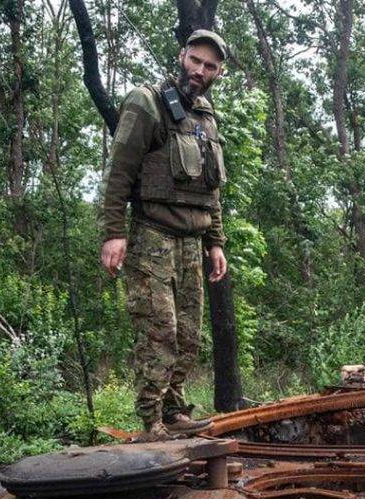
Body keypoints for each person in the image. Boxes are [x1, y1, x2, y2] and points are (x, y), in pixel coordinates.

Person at [99, 30, 230, 440]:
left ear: (218, 72)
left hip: (192, 242)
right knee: (159, 333)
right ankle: (151, 421)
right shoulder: (148, 102)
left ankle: (174, 412)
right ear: (182, 56)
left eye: (209, 66)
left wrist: (216, 242)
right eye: (195, 60)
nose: (200, 70)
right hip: (152, 236)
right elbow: (118, 172)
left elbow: (211, 188)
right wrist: (113, 233)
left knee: (189, 335)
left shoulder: (206, 117)